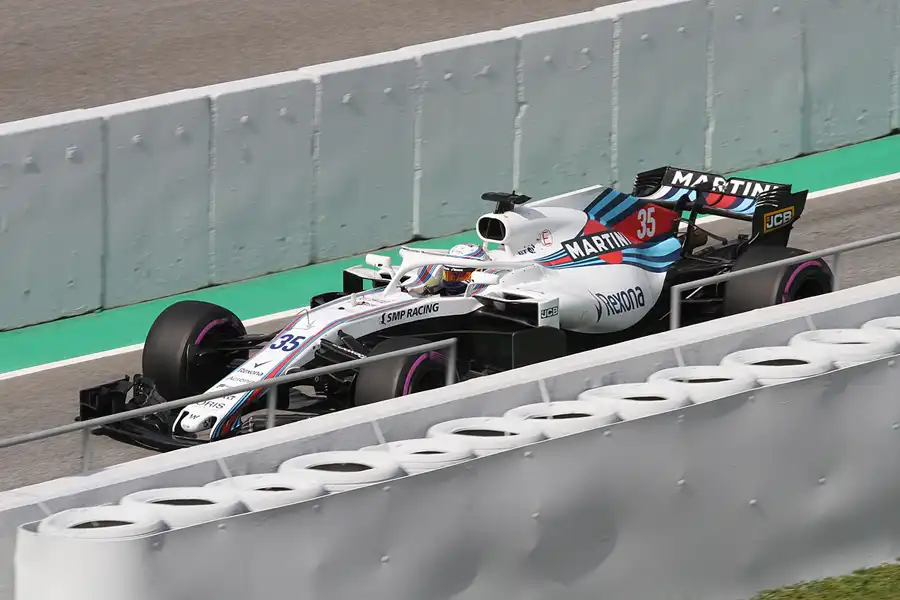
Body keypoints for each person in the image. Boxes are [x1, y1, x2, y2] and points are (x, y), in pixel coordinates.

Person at [402, 243, 490, 296]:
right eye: (450, 275)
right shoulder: (436, 285)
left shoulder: (490, 290)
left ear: (478, 272)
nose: (452, 281)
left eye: (459, 276)